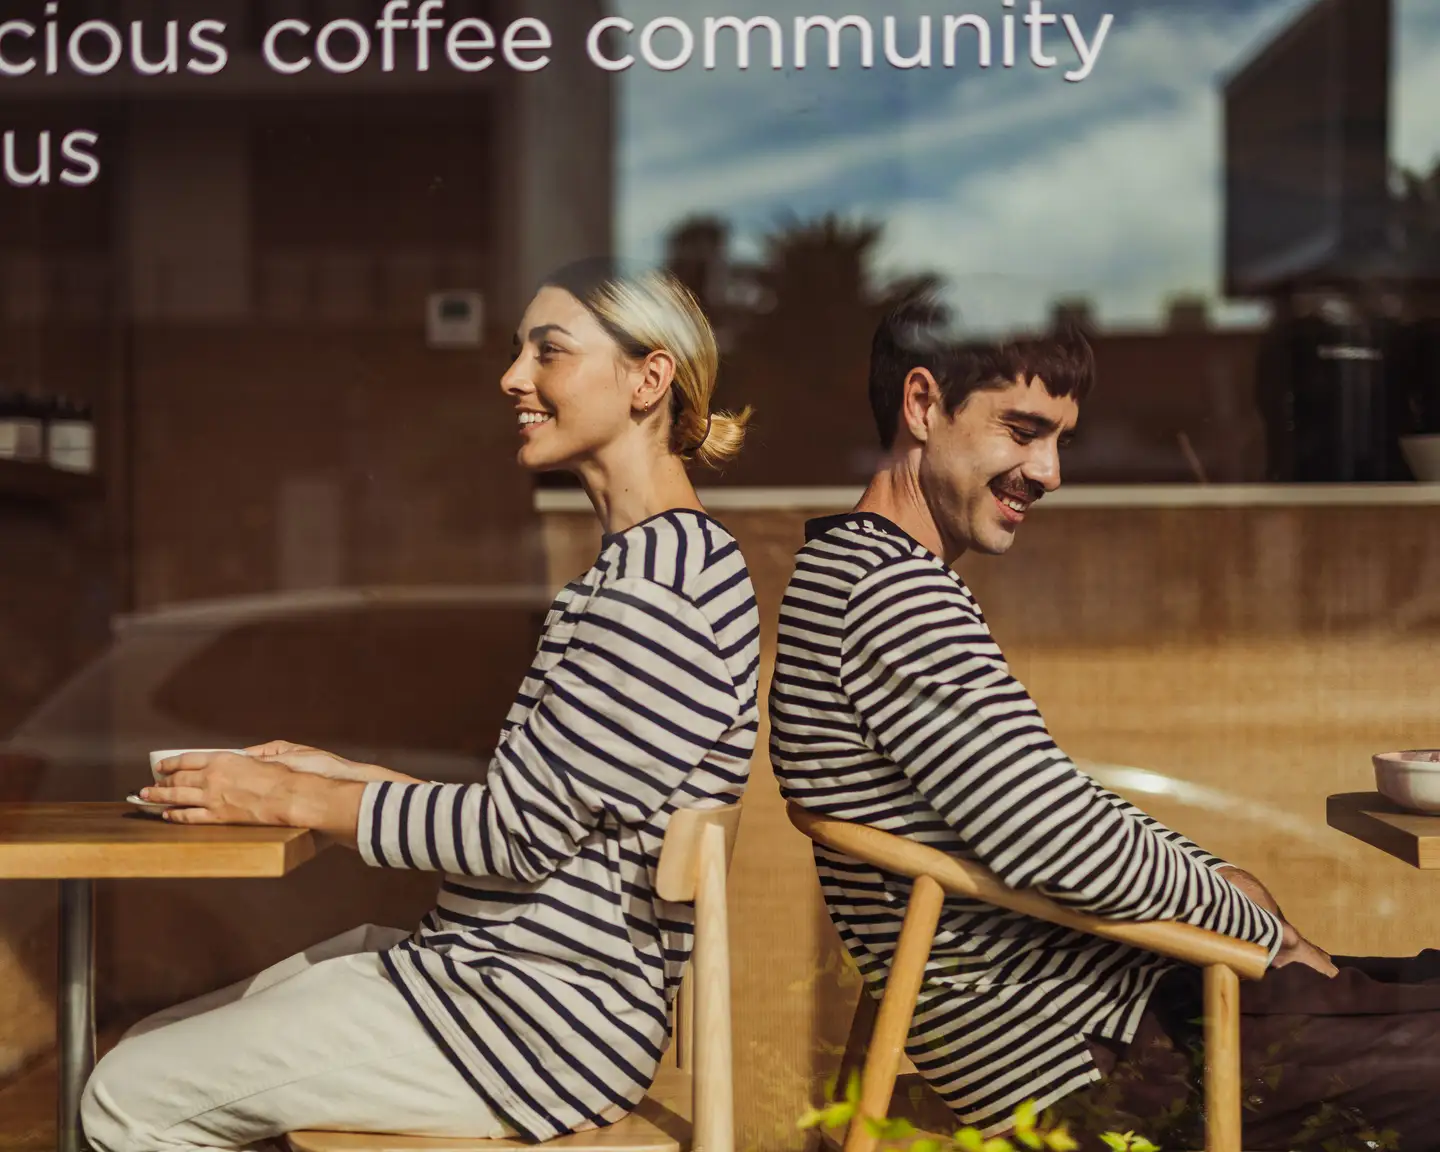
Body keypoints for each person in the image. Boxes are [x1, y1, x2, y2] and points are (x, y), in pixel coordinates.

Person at [81, 262, 761, 1152]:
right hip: (503, 982)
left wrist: (289, 798)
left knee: (121, 1097)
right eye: (518, 351)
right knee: (149, 1045)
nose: (512, 377)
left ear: (648, 379)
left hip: (530, 1024)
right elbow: (547, 815)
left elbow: (515, 837)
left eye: (548, 352)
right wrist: (346, 777)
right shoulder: (657, 567)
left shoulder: (653, 595)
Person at [768, 299, 1439, 1151]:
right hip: (1096, 1053)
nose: (1049, 472)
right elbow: (1055, 840)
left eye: (1060, 440)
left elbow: (1053, 807)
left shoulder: (859, 574)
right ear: (923, 404)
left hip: (1121, 1009)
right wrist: (1264, 935)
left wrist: (1221, 879)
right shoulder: (890, 597)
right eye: (1022, 431)